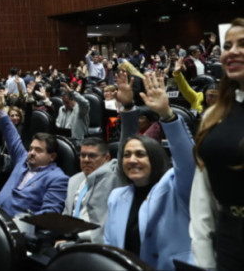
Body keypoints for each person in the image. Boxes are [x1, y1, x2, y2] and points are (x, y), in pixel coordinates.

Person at [104, 72, 196, 270]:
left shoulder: (176, 189)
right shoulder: (117, 197)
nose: (132, 160)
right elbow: (111, 251)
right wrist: (127, 108)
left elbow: (187, 161)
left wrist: (167, 115)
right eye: (127, 156)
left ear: (154, 158)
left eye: (140, 154)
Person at [190, 18, 244, 270]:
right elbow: (203, 195)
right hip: (229, 239)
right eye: (227, 45)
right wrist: (203, 259)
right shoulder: (213, 115)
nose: (232, 51)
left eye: (242, 44)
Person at [0, 90, 68, 217]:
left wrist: (22, 224)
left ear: (52, 156)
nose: (31, 153)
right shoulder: (23, 159)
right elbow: (12, 136)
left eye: (38, 150)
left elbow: (50, 215)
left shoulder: (58, 179)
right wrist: (1, 110)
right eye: (31, 148)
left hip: (14, 229)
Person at [56, 82, 90, 147]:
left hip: (77, 143)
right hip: (62, 141)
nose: (65, 105)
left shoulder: (81, 109)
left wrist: (72, 92)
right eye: (64, 102)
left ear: (73, 100)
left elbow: (85, 103)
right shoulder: (61, 109)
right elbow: (58, 124)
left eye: (67, 102)